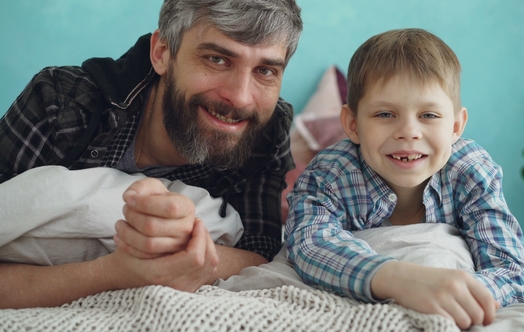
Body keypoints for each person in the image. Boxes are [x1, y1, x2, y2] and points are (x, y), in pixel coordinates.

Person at [0, 0, 302, 309]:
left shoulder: (266, 129)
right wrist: (113, 272)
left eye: (265, 70)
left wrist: (182, 249)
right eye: (217, 59)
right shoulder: (61, 103)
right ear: (162, 53)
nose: (240, 97)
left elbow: (260, 252)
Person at [284, 28, 524, 329]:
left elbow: (511, 271)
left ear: (455, 127)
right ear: (352, 124)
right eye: (385, 114)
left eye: (429, 115)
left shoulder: (471, 172)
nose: (409, 132)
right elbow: (309, 243)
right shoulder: (330, 174)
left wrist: (460, 294)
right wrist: (397, 279)